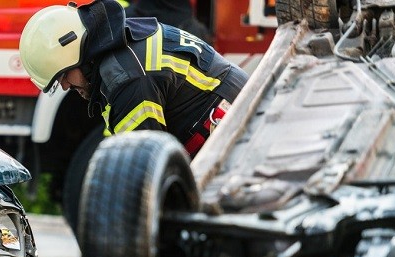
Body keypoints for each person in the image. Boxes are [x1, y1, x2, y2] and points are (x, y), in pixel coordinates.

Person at [19, 0, 248, 157]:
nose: (66, 85)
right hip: (238, 113)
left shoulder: (126, 79)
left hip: (234, 135)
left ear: (79, 56)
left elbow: (144, 167)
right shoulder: (123, 40)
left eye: (64, 75)